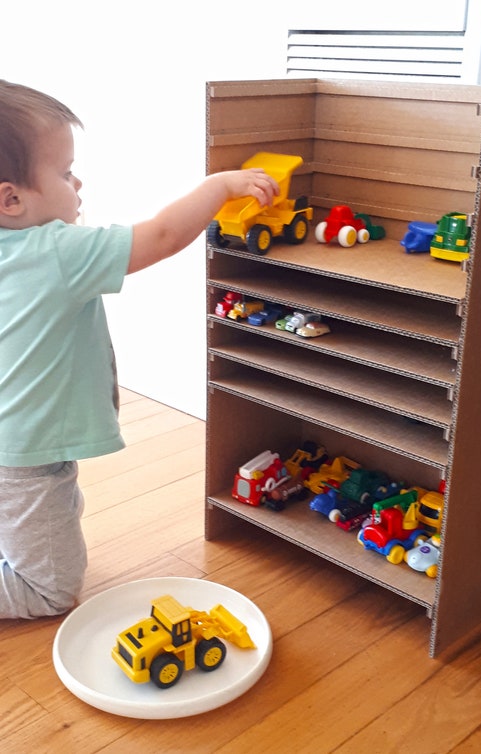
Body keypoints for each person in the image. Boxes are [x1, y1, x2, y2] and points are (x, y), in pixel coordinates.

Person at [0, 79, 279, 619]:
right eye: (63, 172)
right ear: (10, 198)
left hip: (10, 440)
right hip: (27, 454)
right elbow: (162, 236)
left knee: (38, 514)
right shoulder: (56, 251)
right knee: (49, 589)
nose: (78, 181)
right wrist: (220, 187)